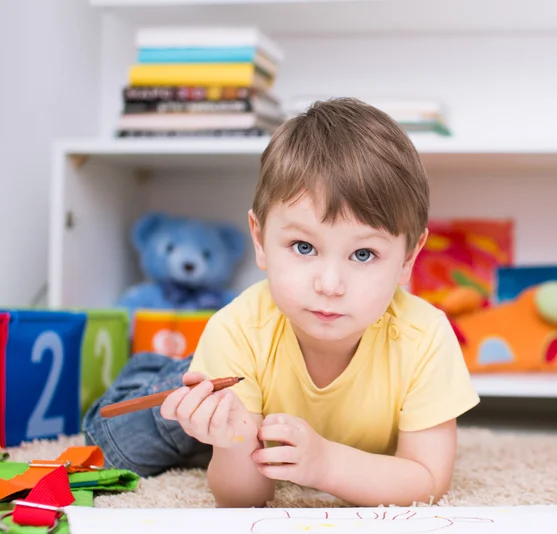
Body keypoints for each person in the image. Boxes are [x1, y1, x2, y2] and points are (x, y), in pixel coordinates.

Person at [84, 98, 479, 507]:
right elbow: (243, 499)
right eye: (304, 246)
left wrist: (327, 464)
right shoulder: (239, 328)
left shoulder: (425, 336)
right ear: (260, 240)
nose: (329, 285)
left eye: (363, 255)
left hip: (268, 399)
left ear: (408, 259)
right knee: (117, 446)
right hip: (232, 377)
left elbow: (428, 479)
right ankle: (160, 375)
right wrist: (234, 441)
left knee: (235, 437)